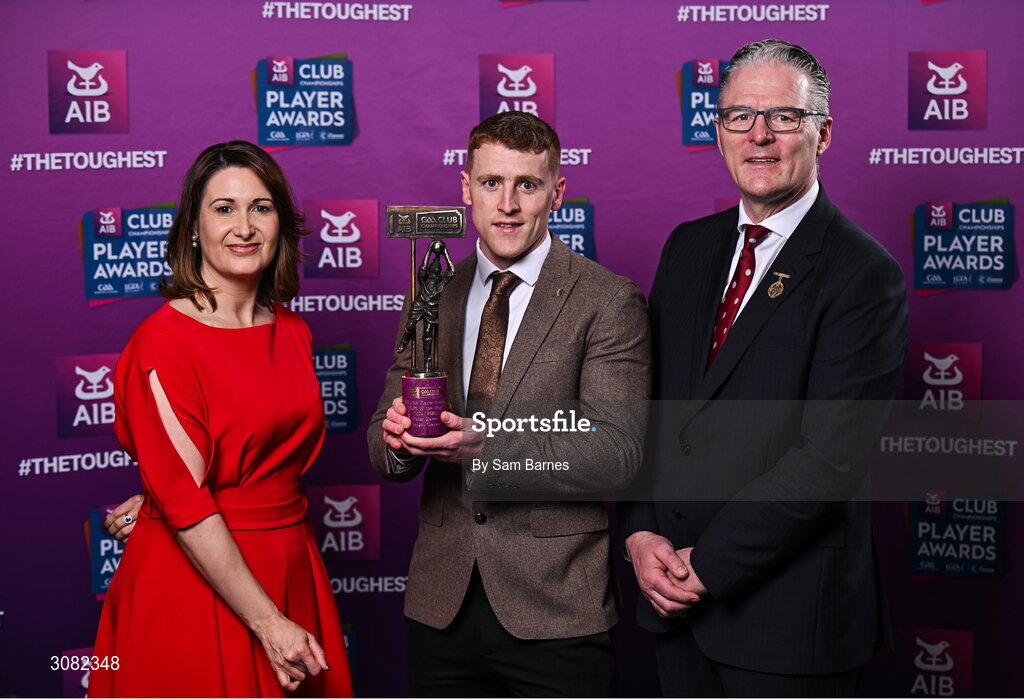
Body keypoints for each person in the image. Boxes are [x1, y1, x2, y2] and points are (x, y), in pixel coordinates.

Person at [620, 40, 908, 697]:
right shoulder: (688, 249)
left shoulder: (864, 275)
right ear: (718, 131)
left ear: (823, 133)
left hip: (790, 626)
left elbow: (829, 461)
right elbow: (649, 411)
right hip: (672, 611)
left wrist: (708, 567)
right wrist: (639, 532)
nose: (760, 135)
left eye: (783, 116)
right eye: (739, 117)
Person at [367, 111, 651, 696]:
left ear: (558, 191)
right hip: (440, 607)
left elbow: (616, 451)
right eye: (492, 183)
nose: (509, 204)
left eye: (528, 184)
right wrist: (397, 442)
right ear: (465, 187)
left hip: (555, 613)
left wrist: (485, 445)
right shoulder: (432, 290)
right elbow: (379, 441)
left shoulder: (606, 300)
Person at [91, 141, 353, 697]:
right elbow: (188, 502)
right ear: (192, 227)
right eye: (223, 208)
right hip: (199, 580)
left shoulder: (293, 330)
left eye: (261, 207)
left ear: (280, 223)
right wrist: (268, 623)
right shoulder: (161, 342)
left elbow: (241, 454)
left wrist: (163, 493)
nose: (244, 226)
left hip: (291, 560)